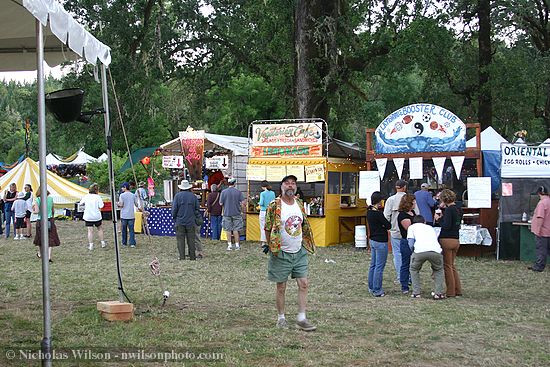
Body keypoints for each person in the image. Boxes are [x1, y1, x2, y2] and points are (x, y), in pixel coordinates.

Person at [265, 175, 316, 331]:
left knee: (304, 284)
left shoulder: (299, 204)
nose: (290, 186)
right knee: (281, 286)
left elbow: (302, 225)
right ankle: (281, 317)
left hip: (299, 251)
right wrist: (272, 247)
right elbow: (267, 227)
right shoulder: (274, 205)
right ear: (281, 187)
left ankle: (301, 318)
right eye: (287, 183)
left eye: (293, 183)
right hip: (281, 252)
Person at [407, 215, 445, 299]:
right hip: (435, 250)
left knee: (414, 270)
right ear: (424, 222)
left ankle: (416, 292)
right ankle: (438, 293)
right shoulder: (430, 228)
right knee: (438, 270)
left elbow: (410, 243)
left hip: (419, 250)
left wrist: (413, 251)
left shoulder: (412, 227)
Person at [434, 188, 462, 297]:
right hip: (456, 239)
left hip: (447, 239)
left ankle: (450, 291)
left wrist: (439, 219)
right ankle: (457, 289)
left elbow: (446, 225)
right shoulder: (458, 209)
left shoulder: (450, 210)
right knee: (452, 265)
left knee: (447, 266)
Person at [367, 191, 391, 297]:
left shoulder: (369, 212)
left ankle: (371, 286)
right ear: (379, 201)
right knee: (379, 266)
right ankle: (377, 289)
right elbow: (388, 225)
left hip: (373, 240)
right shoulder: (378, 214)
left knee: (373, 264)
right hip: (381, 241)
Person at [383, 179, 408, 284]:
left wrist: (388, 226)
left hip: (395, 230)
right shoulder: (410, 199)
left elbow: (386, 216)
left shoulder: (390, 200)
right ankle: (409, 276)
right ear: (405, 187)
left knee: (397, 254)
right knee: (408, 254)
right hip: (408, 231)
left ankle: (400, 276)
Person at [172, 180, 200, 260]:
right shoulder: (193, 196)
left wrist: (174, 217)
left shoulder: (177, 196)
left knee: (180, 240)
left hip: (180, 221)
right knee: (191, 240)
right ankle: (192, 256)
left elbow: (174, 209)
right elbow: (197, 208)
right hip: (191, 221)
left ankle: (182, 256)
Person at [32, 187, 60, 262]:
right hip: (49, 220)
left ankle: (41, 254)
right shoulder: (50, 199)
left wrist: (33, 210)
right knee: (50, 238)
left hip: (40, 220)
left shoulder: (37, 200)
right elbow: (52, 210)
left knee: (40, 238)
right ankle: (49, 256)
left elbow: (37, 211)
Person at [397, 194, 416, 294]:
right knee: (406, 264)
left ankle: (413, 282)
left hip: (417, 241)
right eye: (413, 202)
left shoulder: (413, 212)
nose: (415, 204)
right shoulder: (402, 215)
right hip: (407, 241)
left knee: (414, 264)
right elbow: (410, 229)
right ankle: (404, 285)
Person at [528, 185, 550, 272]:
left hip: (543, 232)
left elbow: (540, 217)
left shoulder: (542, 203)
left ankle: (539, 266)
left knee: (541, 250)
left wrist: (537, 230)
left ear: (539, 193)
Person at [220, 178, 245, 251]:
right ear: (234, 183)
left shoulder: (223, 192)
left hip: (227, 213)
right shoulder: (238, 192)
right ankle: (237, 245)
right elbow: (243, 203)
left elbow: (221, 203)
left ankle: (229, 245)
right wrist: (242, 210)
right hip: (236, 213)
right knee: (236, 229)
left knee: (228, 229)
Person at [80, 183, 106, 250]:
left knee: (90, 231)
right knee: (100, 229)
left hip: (88, 216)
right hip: (97, 216)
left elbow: (81, 203)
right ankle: (102, 242)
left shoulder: (86, 196)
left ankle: (91, 245)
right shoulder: (98, 197)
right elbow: (101, 206)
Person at [117, 182, 137, 248]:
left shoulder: (122, 195)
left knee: (124, 230)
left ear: (125, 187)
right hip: (131, 215)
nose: (121, 188)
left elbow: (121, 204)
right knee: (131, 230)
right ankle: (132, 243)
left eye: (122, 187)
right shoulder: (133, 195)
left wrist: (118, 204)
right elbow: (136, 204)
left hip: (124, 215)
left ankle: (124, 243)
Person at [259, 181, 276, 247]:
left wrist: (257, 203)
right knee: (271, 226)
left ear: (263, 187)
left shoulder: (262, 193)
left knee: (263, 226)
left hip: (263, 211)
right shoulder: (273, 193)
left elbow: (261, 203)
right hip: (271, 211)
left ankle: (264, 241)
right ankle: (271, 240)